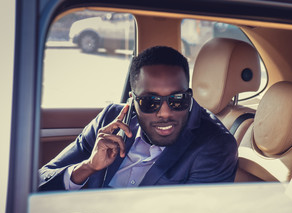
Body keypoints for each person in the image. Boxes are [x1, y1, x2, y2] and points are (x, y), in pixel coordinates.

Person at [38, 46, 238, 191]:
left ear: (189, 95)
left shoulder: (214, 145)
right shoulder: (109, 119)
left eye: (177, 100)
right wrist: (87, 167)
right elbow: (39, 181)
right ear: (132, 100)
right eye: (150, 102)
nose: (165, 113)